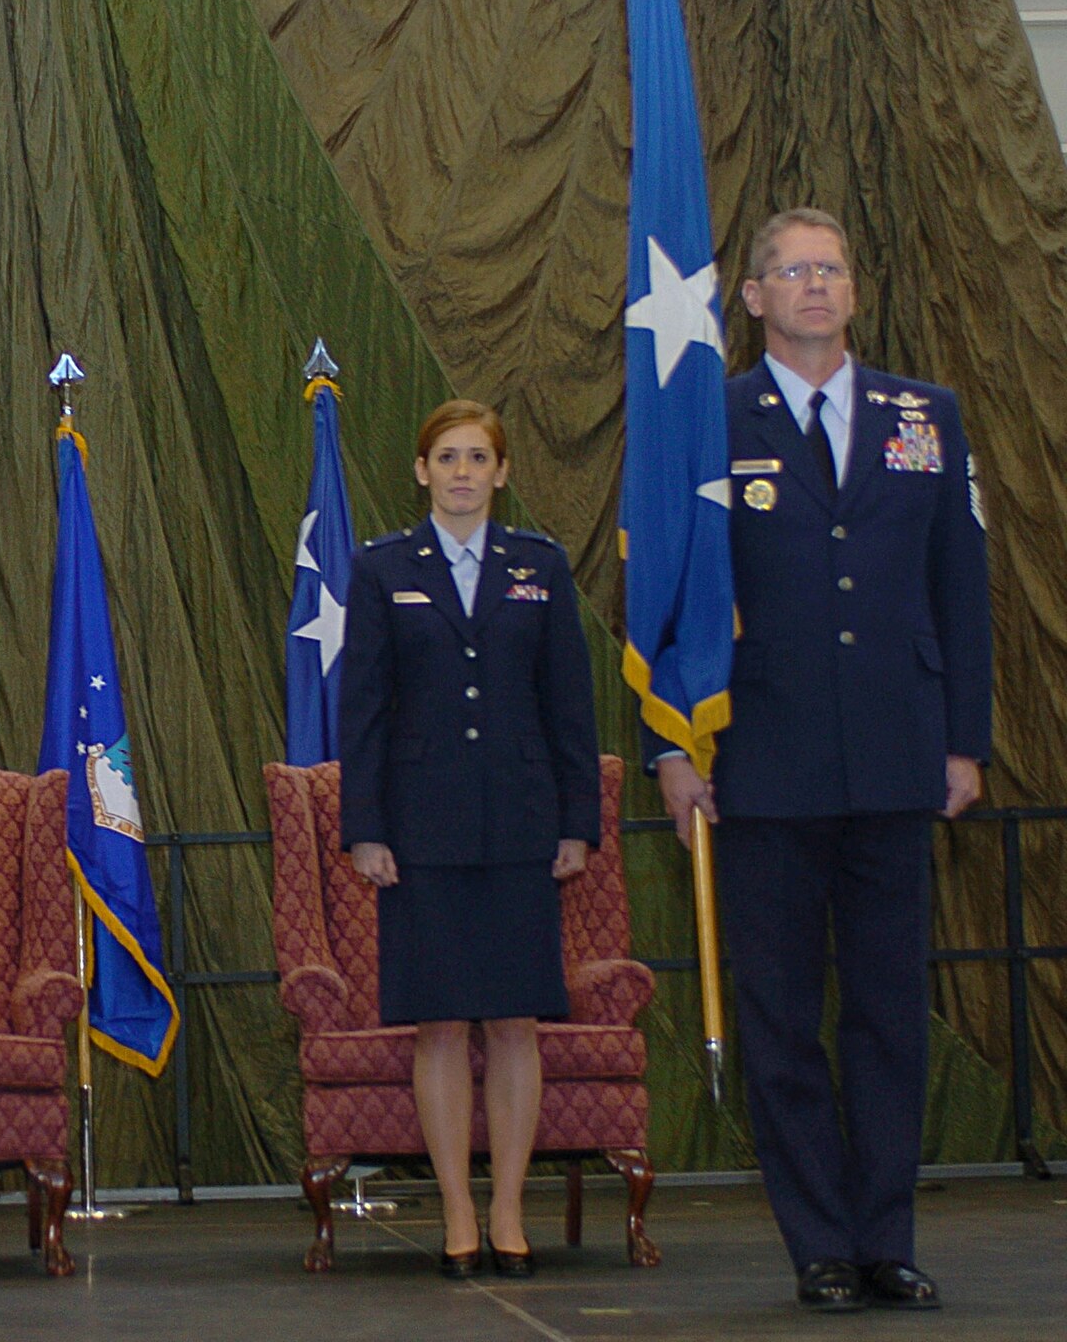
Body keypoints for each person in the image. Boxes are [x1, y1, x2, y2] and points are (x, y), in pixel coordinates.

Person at [655, 209, 989, 1312]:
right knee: (782, 1018)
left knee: (890, 1014)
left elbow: (959, 587)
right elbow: (666, 589)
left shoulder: (922, 416)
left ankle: (885, 1235)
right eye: (790, 271)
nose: (813, 286)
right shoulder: (708, 420)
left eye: (830, 269)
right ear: (749, 298)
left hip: (897, 757)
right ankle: (818, 1246)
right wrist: (671, 742)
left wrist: (961, 740)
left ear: (853, 288)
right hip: (760, 762)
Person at [338, 399, 601, 1278]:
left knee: (517, 1021)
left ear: (502, 472)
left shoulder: (541, 566)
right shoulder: (381, 569)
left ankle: (510, 1211)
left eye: (477, 458)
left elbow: (570, 705)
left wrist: (577, 822)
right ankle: (455, 1214)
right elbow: (364, 711)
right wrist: (365, 828)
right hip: (422, 828)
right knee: (442, 1025)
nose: (461, 472)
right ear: (421, 471)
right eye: (445, 457)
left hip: (523, 823)